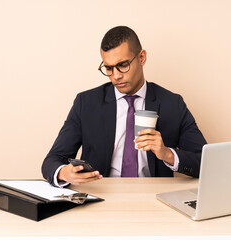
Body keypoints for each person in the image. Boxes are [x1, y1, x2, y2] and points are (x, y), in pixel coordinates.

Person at [42, 26, 207, 187]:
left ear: (142, 58)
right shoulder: (86, 103)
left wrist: (167, 154)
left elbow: (205, 161)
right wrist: (64, 173)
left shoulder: (172, 104)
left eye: (123, 65)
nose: (116, 76)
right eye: (108, 68)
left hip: (154, 199)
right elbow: (52, 160)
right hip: (101, 196)